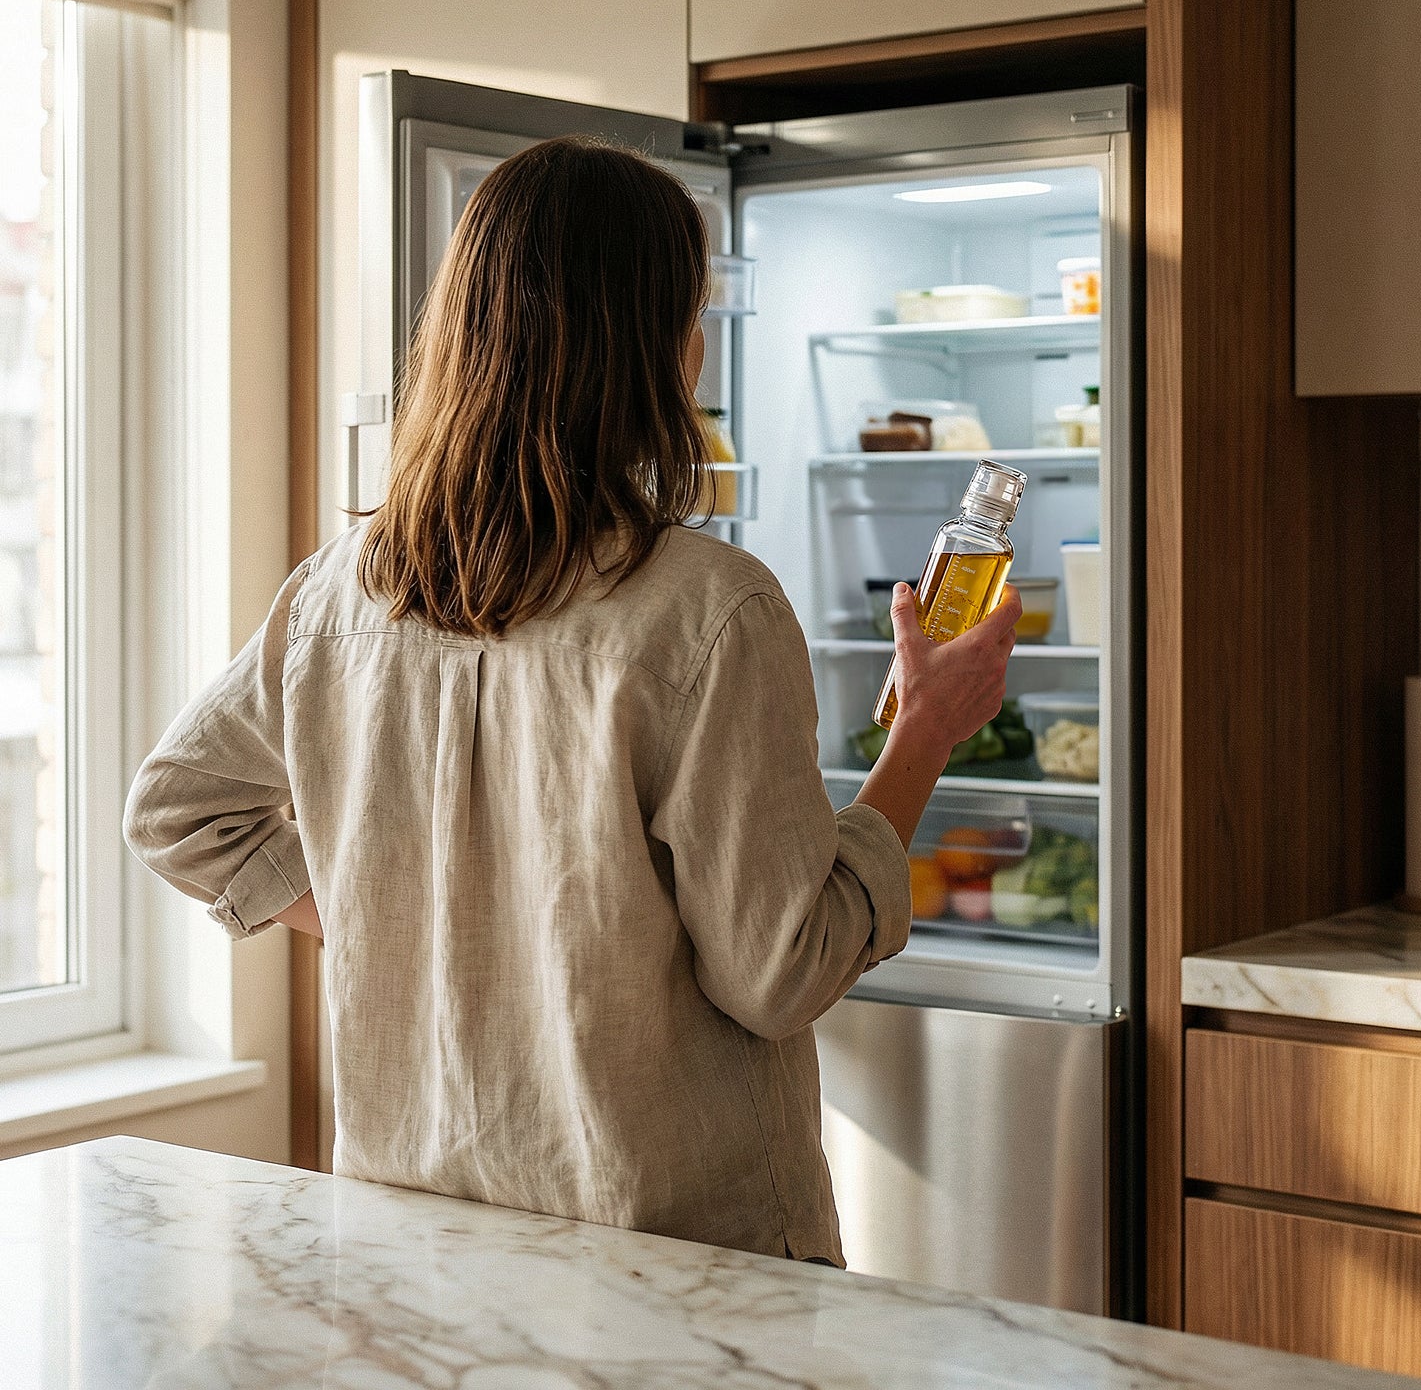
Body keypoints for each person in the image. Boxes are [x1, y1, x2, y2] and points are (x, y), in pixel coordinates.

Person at [123, 136, 1019, 1265]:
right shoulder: (710, 606)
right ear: (650, 348)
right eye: (689, 313)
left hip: (419, 1242)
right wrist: (926, 731)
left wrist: (405, 919)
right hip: (671, 1256)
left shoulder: (339, 589)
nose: (698, 344)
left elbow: (177, 810)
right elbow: (780, 972)